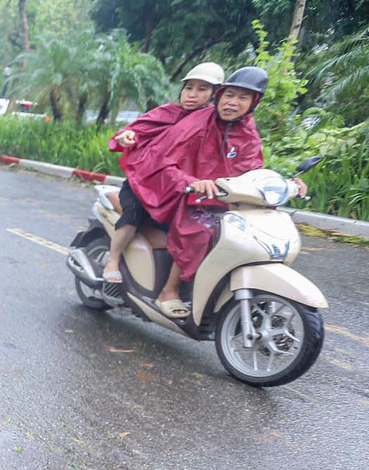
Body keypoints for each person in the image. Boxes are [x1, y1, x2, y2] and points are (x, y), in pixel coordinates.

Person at [129, 66, 306, 319]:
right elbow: (163, 160)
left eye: (243, 97)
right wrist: (192, 181)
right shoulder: (197, 121)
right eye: (229, 95)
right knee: (202, 231)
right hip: (183, 195)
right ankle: (169, 290)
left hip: (222, 200)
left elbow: (253, 170)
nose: (233, 102)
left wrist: (285, 182)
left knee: (253, 235)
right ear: (219, 95)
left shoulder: (247, 131)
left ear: (254, 103)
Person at [101, 62, 223, 284]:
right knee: (133, 216)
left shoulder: (215, 123)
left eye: (202, 89)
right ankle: (113, 259)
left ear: (214, 94)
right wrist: (127, 136)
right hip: (145, 182)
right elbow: (136, 130)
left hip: (179, 190)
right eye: (189, 88)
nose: (192, 94)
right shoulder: (168, 112)